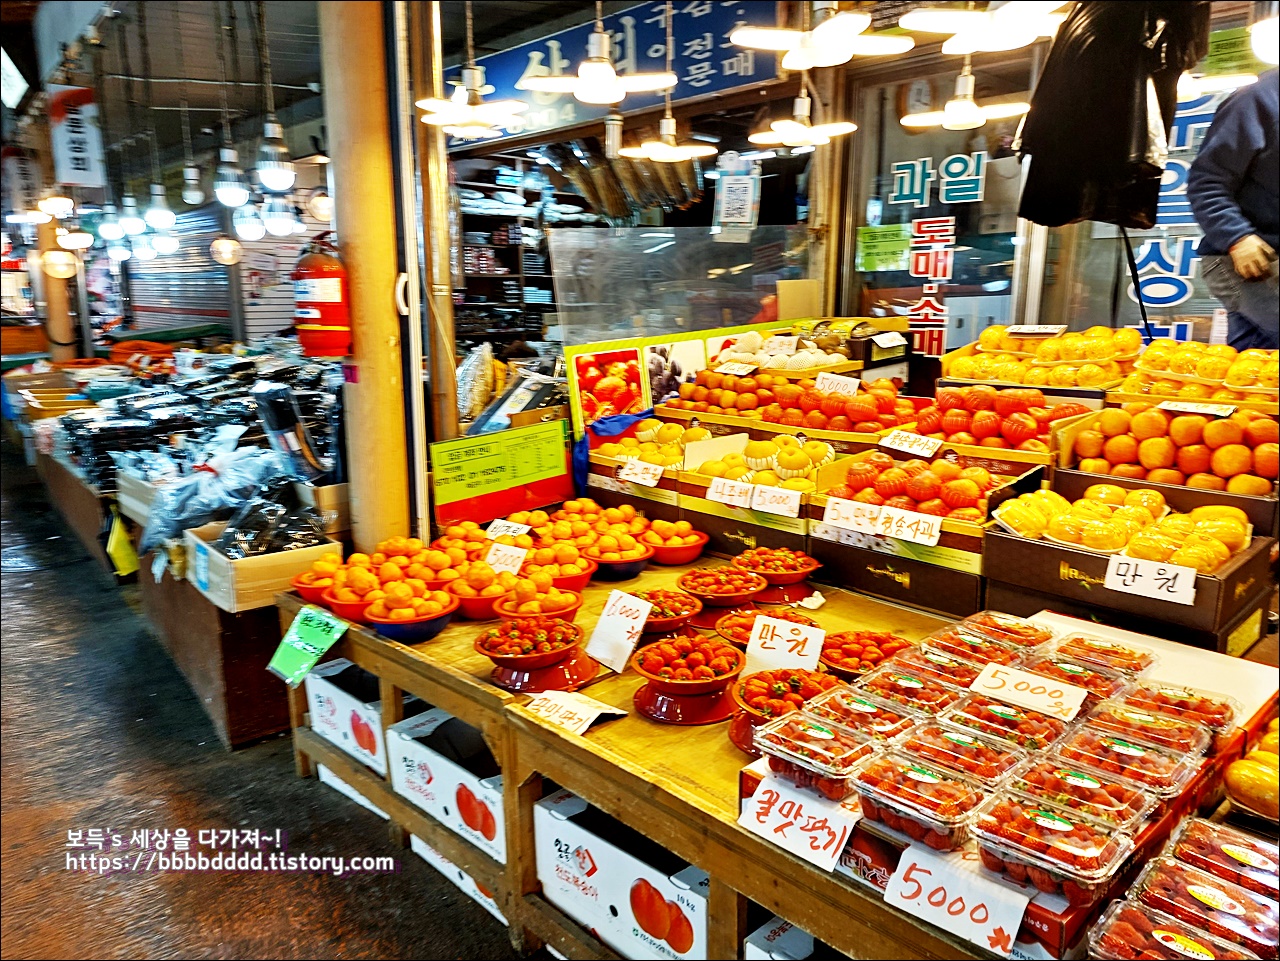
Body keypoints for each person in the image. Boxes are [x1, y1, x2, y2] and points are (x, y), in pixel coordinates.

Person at [1187, 69, 1279, 351]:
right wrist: (1237, 238)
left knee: (1253, 356)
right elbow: (1207, 181)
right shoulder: (1260, 99)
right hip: (1247, 257)